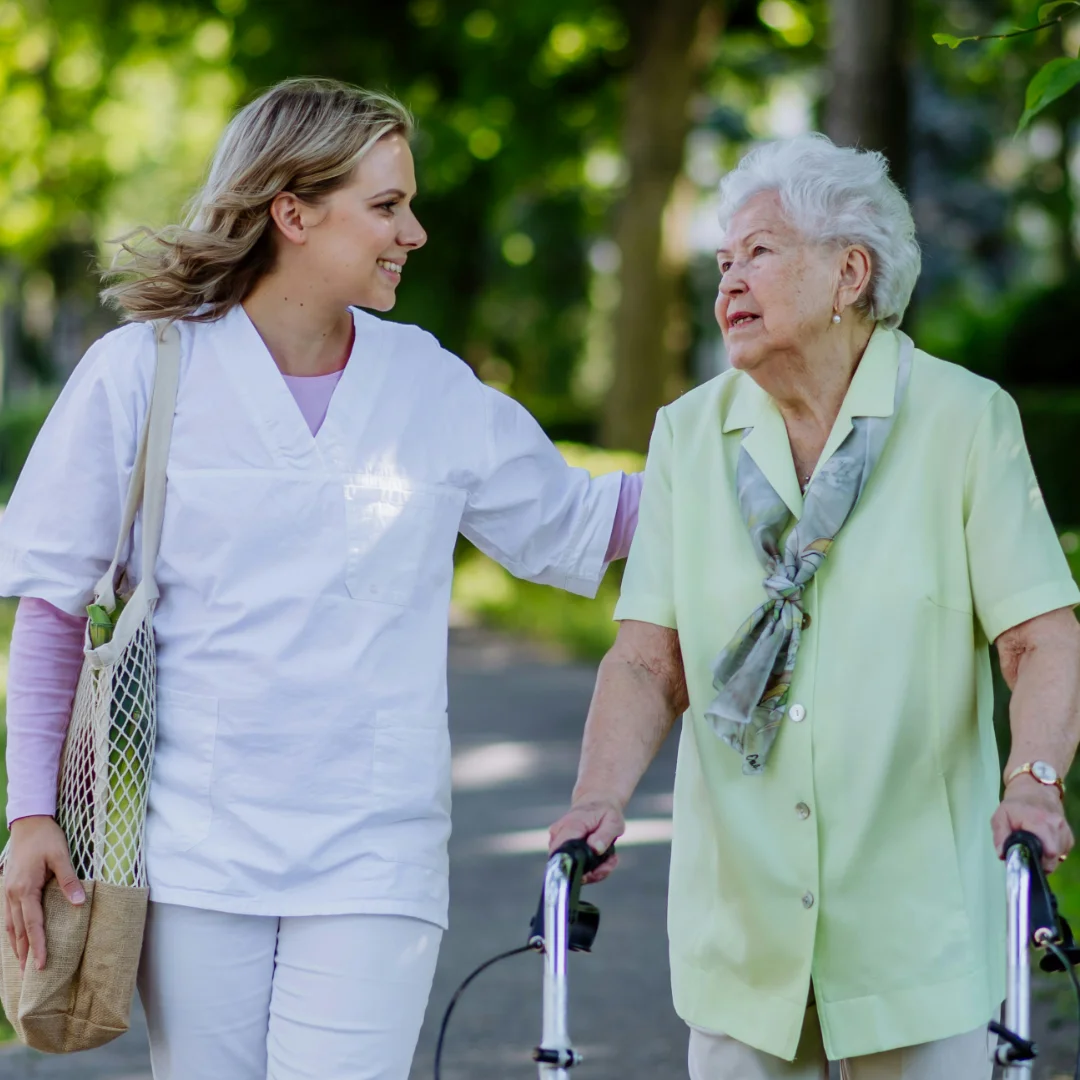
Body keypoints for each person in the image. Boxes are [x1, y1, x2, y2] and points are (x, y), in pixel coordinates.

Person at [0, 78, 641, 1080]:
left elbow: (591, 522)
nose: (414, 232)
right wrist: (31, 816)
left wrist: (762, 461)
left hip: (373, 857)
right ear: (292, 212)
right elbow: (50, 603)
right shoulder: (143, 373)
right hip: (195, 856)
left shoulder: (425, 383)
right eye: (386, 205)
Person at [548, 133, 1080, 1080]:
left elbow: (1038, 637)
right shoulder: (688, 434)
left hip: (916, 930)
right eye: (722, 262)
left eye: (758, 252)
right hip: (741, 929)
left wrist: (1033, 781)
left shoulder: (964, 420)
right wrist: (597, 801)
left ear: (850, 272)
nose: (728, 283)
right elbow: (646, 659)